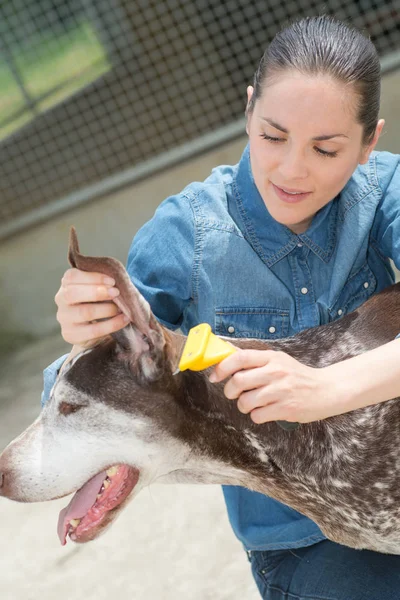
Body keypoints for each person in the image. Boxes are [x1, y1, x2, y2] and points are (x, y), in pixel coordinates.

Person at [42, 14, 400, 600]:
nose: (291, 169)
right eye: (272, 135)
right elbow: (108, 386)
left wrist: (326, 388)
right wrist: (80, 333)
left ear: (369, 143)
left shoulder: (384, 190)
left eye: (326, 148)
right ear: (248, 109)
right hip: (299, 539)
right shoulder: (184, 234)